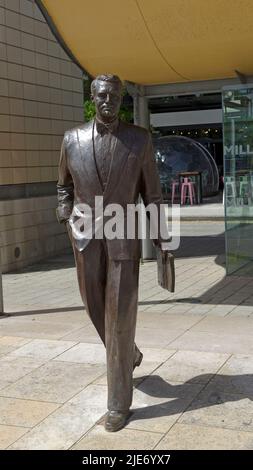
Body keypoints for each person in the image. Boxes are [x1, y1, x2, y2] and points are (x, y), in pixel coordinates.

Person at [56, 74, 167, 432]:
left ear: (122, 99)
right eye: (102, 95)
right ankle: (129, 354)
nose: (109, 101)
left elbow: (152, 194)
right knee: (95, 309)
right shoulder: (71, 140)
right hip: (85, 237)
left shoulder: (139, 139)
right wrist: (65, 215)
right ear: (92, 97)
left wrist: (162, 237)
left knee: (118, 318)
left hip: (123, 236)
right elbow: (63, 187)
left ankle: (118, 404)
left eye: (115, 96)